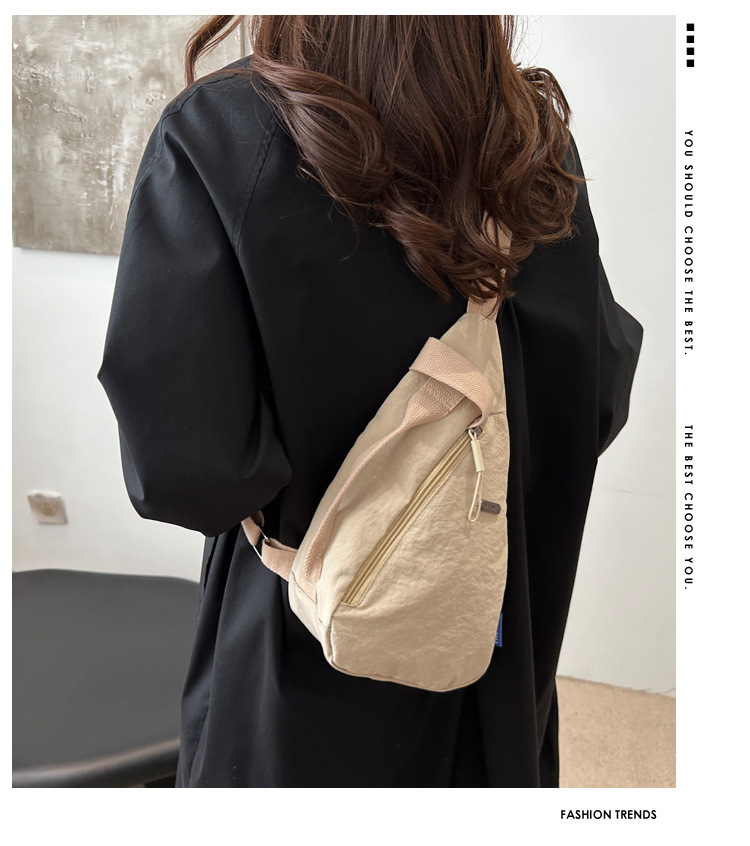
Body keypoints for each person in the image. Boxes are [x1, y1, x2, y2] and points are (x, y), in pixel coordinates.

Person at [98, 15, 642, 788]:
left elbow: (185, 473)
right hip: (489, 627)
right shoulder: (530, 137)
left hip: (299, 645)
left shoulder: (222, 132)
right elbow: (595, 396)